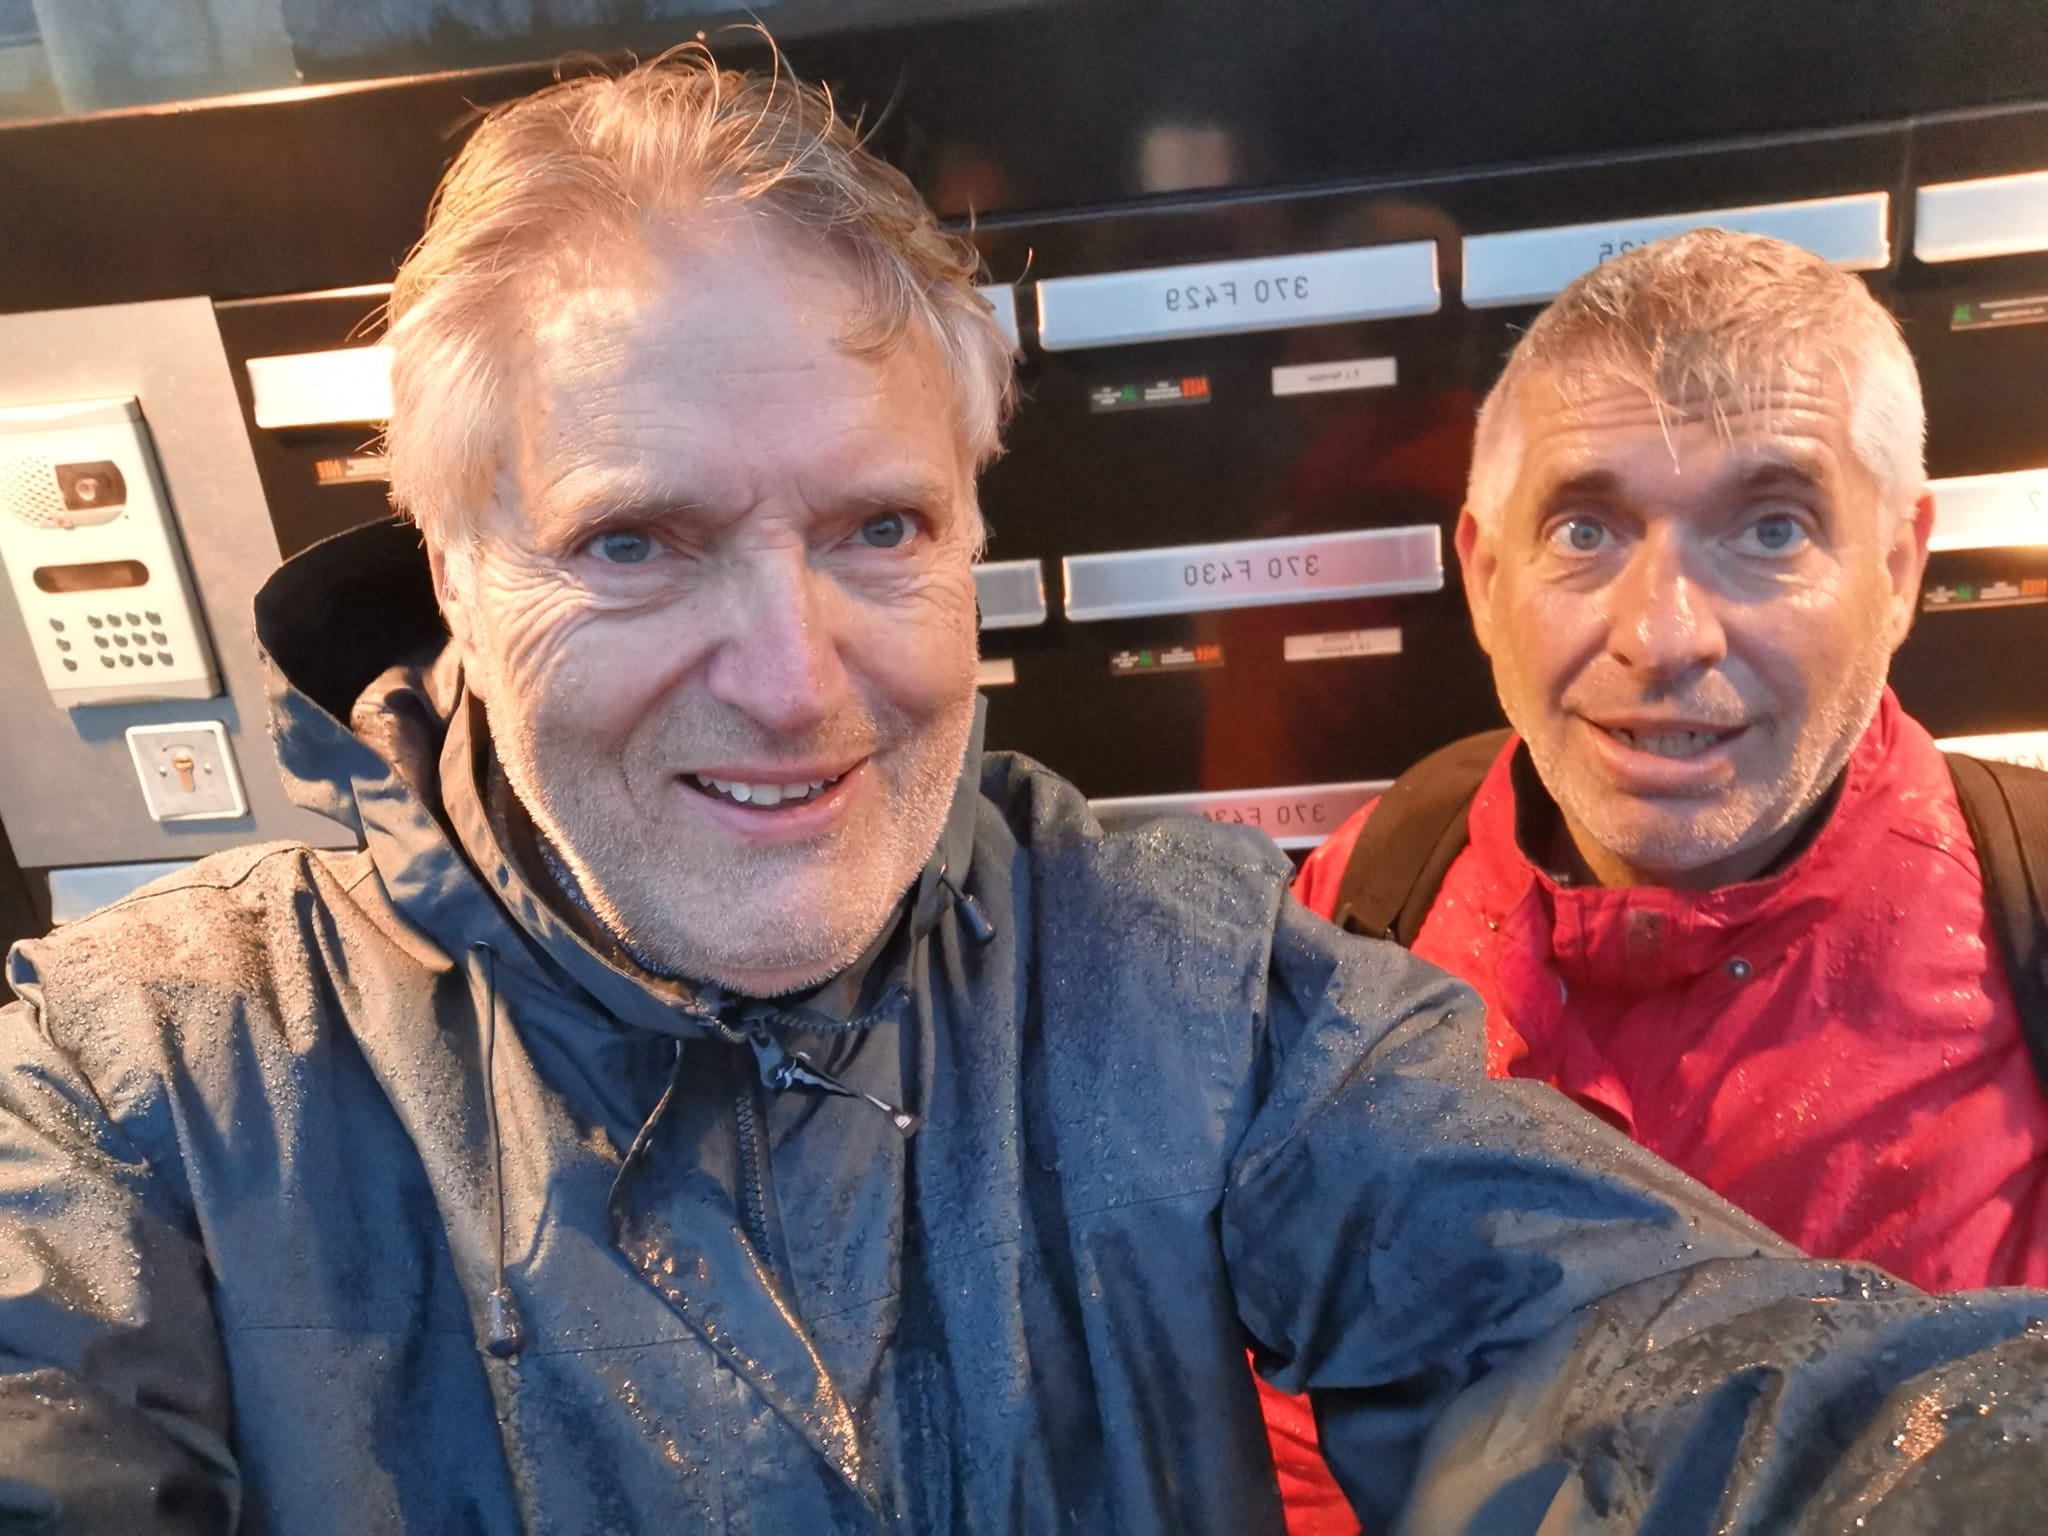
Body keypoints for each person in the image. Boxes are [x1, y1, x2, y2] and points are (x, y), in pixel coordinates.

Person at [5, 60, 2048, 1535]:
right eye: (636, 542)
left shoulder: (1191, 988)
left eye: (878, 530)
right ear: (451, 568)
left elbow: (1652, 1368)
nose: (793, 679)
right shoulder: (135, 1086)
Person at [1264, 229, 2048, 1534]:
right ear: (1487, 575)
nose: (1664, 635)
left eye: (1773, 528)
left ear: (1899, 566)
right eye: (1586, 529)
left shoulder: (2022, 910)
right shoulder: (1369, 893)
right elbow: (1285, 1412)